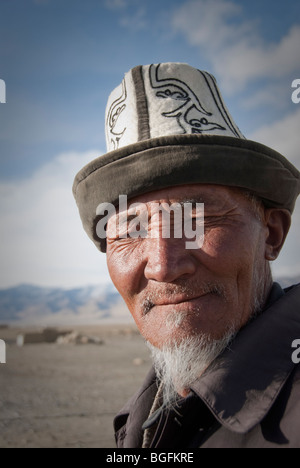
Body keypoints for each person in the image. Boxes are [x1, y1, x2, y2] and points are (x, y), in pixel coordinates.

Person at [73, 63, 300, 448]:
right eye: (130, 231)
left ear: (271, 234)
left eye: (199, 217)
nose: (163, 265)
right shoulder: (146, 415)